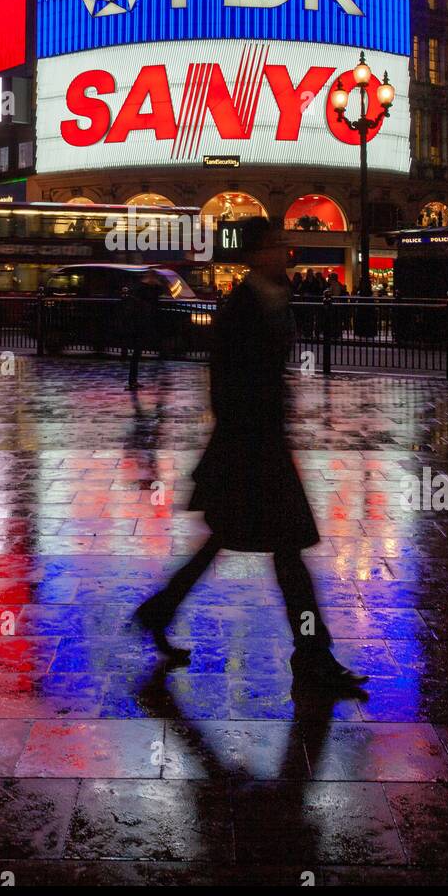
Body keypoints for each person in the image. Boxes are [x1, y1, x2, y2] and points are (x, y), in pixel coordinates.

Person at [133, 217, 367, 695]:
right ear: (256, 253)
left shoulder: (273, 297)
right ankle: (312, 656)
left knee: (241, 543)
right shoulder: (244, 305)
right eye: (276, 244)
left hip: (258, 446)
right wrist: (252, 434)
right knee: (285, 551)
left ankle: (161, 611)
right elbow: (228, 381)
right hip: (250, 449)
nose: (285, 250)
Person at [126, 270, 164, 390]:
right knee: (137, 352)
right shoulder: (147, 290)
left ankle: (133, 380)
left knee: (137, 352)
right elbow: (156, 295)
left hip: (141, 323)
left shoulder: (140, 289)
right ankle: (133, 380)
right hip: (142, 323)